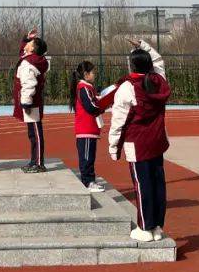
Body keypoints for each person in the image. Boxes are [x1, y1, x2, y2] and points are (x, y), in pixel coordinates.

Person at [108, 39, 171, 243]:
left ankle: (145, 227)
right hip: (157, 141)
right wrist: (144, 44)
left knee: (142, 185)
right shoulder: (159, 81)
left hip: (138, 143)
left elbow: (119, 120)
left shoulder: (127, 87)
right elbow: (159, 60)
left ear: (132, 65)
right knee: (157, 183)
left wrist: (113, 147)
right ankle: (157, 226)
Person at [14, 31, 50, 173]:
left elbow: (29, 84)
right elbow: (22, 52)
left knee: (35, 134)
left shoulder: (29, 63)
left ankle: (39, 163)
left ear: (33, 49)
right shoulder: (32, 59)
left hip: (32, 103)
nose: (26, 45)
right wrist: (27, 38)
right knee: (33, 134)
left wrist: (26, 102)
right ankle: (34, 160)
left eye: (29, 43)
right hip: (32, 102)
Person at [70, 60, 105, 192]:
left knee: (90, 156)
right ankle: (87, 181)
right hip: (86, 129)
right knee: (86, 158)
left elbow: (93, 102)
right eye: (92, 72)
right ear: (86, 74)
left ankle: (90, 180)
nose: (94, 74)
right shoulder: (83, 88)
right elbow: (91, 106)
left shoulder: (87, 88)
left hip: (90, 129)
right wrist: (103, 104)